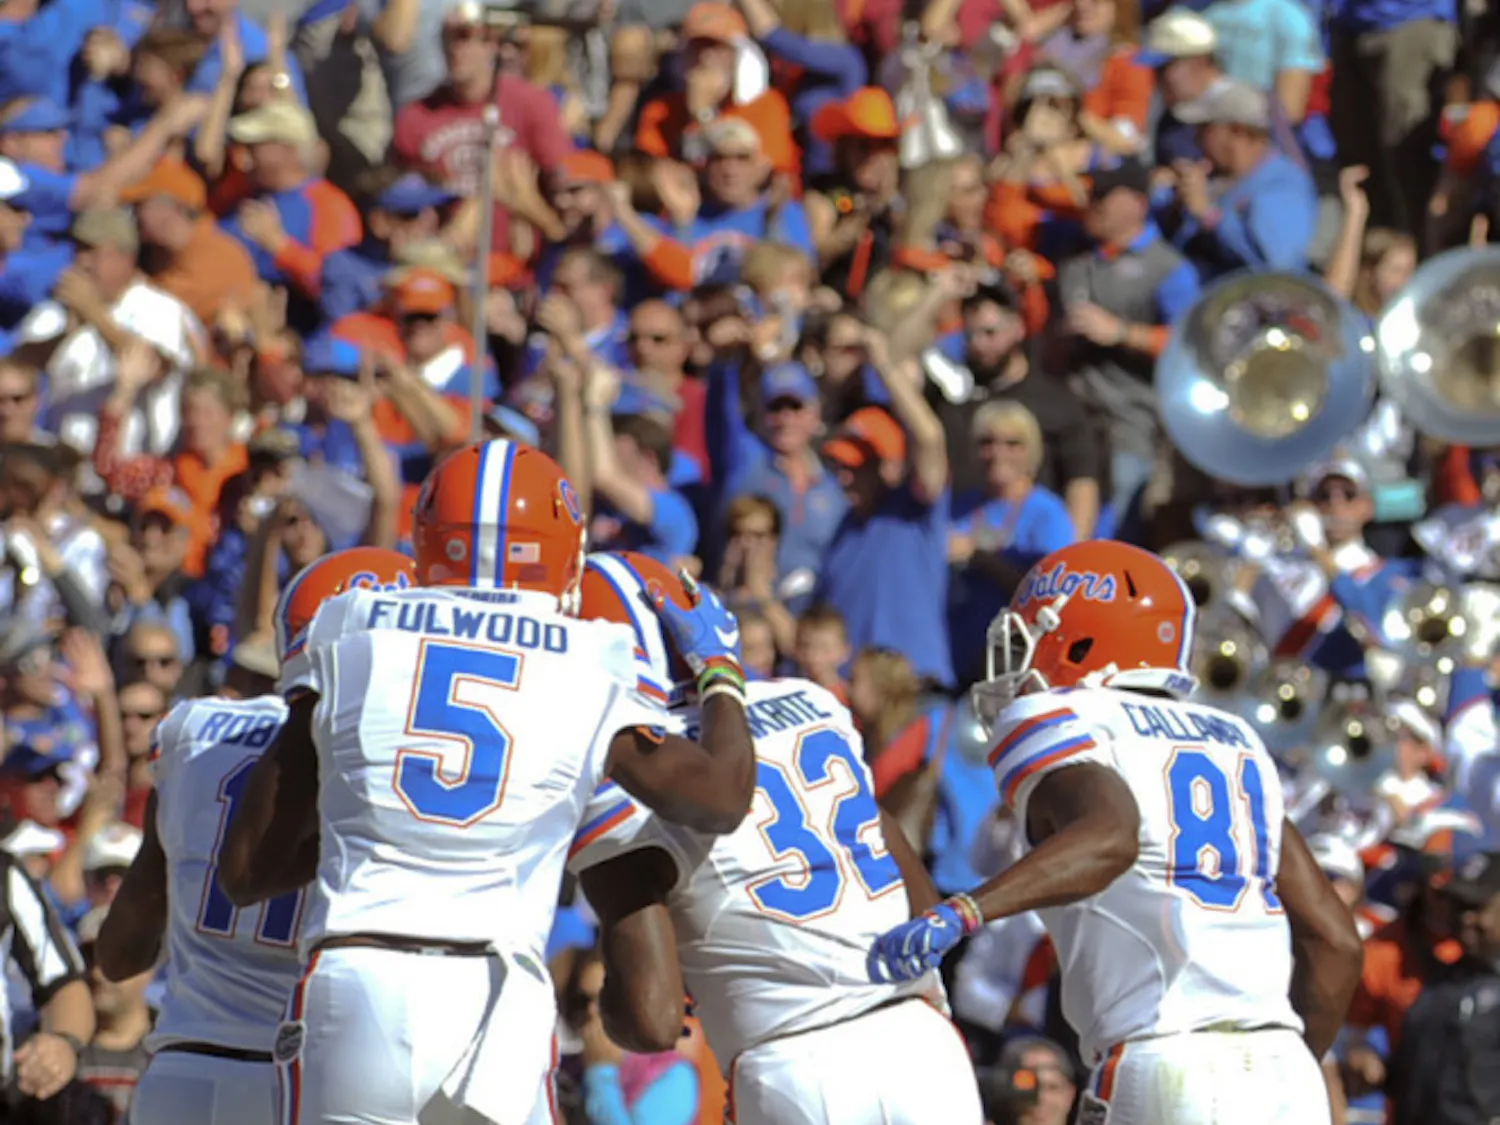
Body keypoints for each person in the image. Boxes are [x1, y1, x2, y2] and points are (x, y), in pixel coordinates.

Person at [215, 440, 756, 1125]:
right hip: (497, 989)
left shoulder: (351, 624)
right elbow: (720, 797)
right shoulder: (586, 658)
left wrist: (374, 824)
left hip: (360, 972)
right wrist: (719, 670)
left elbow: (245, 869)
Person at [867, 539, 1365, 1124]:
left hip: (1162, 1056)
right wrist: (1280, 1068)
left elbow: (1112, 835)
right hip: (1285, 1074)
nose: (1014, 662)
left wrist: (965, 911)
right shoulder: (1235, 738)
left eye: (1027, 638)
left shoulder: (1059, 717)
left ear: (1079, 637)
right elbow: (1336, 942)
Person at [566, 550, 986, 1125]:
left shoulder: (625, 771)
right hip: (922, 1041)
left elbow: (651, 1020)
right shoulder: (812, 702)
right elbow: (920, 906)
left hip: (795, 1066)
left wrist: (608, 1009)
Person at [94, 546, 417, 1125]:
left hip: (183, 1073)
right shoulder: (390, 766)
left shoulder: (192, 730)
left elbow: (120, 955)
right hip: (306, 1082)